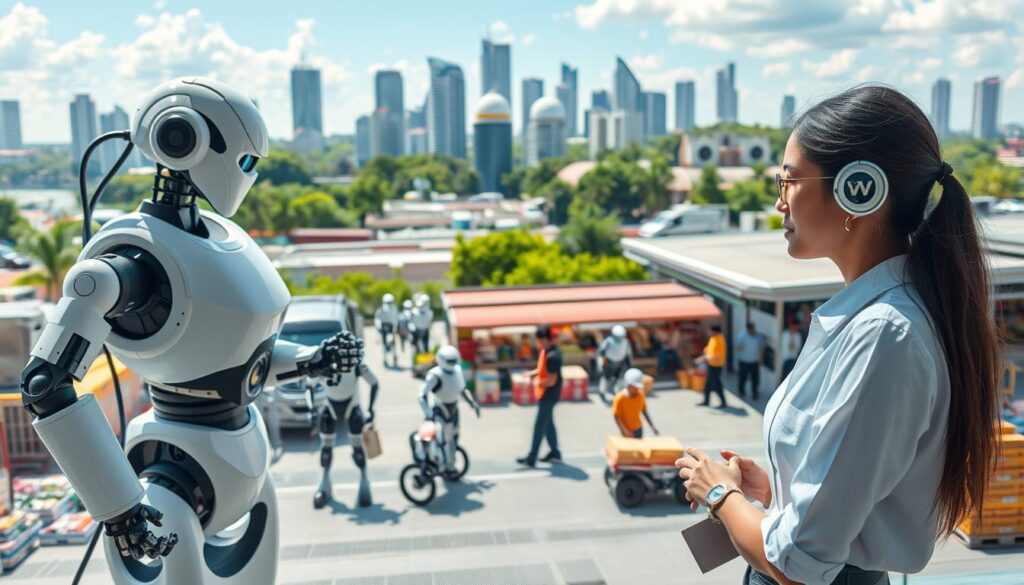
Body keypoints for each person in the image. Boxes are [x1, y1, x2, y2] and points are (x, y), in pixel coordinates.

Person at [676, 86, 1000, 585]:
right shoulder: (881, 317)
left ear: (858, 189)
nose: (779, 202)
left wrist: (720, 495)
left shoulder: (884, 335)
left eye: (789, 181)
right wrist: (777, 491)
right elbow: (857, 507)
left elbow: (797, 566)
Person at [312, 358, 380, 509]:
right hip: (331, 406)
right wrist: (312, 410)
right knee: (326, 450)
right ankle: (324, 483)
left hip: (351, 405)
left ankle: (364, 480)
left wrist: (370, 409)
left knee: (358, 449)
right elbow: (309, 385)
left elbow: (374, 382)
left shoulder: (355, 363)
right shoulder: (323, 364)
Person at [418, 345, 480, 479]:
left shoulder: (457, 370)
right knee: (443, 439)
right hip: (440, 409)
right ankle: (443, 465)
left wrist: (472, 403)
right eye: (449, 361)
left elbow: (462, 389)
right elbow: (422, 395)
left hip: (453, 408)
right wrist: (428, 413)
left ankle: (449, 463)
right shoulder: (435, 375)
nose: (452, 363)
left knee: (454, 438)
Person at [517, 325, 563, 467]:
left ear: (544, 339)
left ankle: (531, 458)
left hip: (549, 395)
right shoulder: (546, 352)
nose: (537, 343)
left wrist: (534, 383)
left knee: (539, 427)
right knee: (548, 424)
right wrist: (531, 374)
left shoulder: (554, 356)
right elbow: (542, 369)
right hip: (545, 393)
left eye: (538, 340)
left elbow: (551, 380)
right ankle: (555, 452)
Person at [612, 368, 659, 438]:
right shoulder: (620, 398)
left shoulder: (641, 395)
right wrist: (624, 430)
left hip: (638, 429)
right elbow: (616, 416)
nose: (637, 389)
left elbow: (644, 411)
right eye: (635, 387)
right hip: (627, 431)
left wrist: (652, 427)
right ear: (628, 385)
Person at [597, 325, 633, 404]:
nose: (619, 338)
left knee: (620, 378)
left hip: (621, 363)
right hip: (608, 363)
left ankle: (616, 392)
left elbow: (629, 354)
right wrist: (600, 365)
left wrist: (630, 365)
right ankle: (602, 392)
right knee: (606, 378)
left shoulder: (626, 342)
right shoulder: (608, 341)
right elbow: (601, 353)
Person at [698, 324, 727, 408]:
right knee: (708, 384)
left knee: (716, 384)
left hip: (716, 366)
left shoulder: (720, 340)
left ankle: (723, 402)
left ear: (715, 331)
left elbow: (717, 356)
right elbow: (708, 349)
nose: (708, 332)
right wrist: (704, 353)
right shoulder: (713, 338)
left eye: (710, 331)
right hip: (710, 364)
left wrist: (704, 358)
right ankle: (706, 401)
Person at [735, 323, 765, 400]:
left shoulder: (759, 337)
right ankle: (741, 391)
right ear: (747, 329)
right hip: (744, 361)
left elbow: (761, 348)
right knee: (742, 378)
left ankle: (755, 393)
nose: (751, 330)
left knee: (755, 379)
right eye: (750, 329)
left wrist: (761, 359)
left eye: (752, 329)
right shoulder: (742, 336)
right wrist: (740, 346)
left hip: (754, 361)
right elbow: (737, 348)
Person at [374, 293, 399, 368]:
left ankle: (394, 356)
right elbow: (377, 318)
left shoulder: (394, 308)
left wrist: (395, 327)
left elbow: (395, 319)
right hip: (383, 328)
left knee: (393, 343)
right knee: (384, 344)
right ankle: (385, 359)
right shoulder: (381, 309)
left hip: (391, 328)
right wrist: (378, 327)